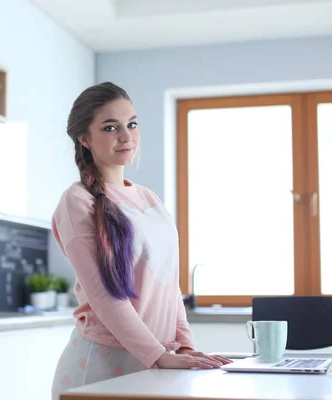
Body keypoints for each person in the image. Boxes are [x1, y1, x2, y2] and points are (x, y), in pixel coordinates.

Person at [50, 82, 231, 399]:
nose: (126, 136)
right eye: (110, 127)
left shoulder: (149, 198)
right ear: (84, 138)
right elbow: (107, 296)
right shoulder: (77, 201)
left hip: (156, 364)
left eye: (132, 124)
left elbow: (168, 283)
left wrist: (185, 346)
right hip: (101, 368)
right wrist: (160, 356)